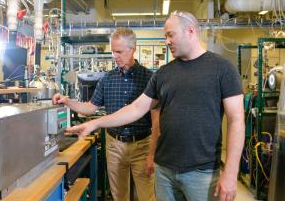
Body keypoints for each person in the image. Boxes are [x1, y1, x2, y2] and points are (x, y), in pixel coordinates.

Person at [66, 11, 245, 201]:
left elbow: (236, 120)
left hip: (201, 172)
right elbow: (136, 109)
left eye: (170, 35)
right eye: (165, 36)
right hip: (164, 171)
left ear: (190, 31)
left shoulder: (222, 69)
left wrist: (231, 173)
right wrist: (96, 123)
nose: (166, 41)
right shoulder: (163, 73)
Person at [53, 27, 158, 201]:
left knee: (146, 196)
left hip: (142, 145)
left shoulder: (149, 78)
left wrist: (152, 153)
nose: (114, 56)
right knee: (119, 196)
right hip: (114, 145)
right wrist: (67, 101)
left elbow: (157, 120)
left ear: (133, 49)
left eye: (119, 52)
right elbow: (89, 107)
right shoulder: (107, 79)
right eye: (113, 51)